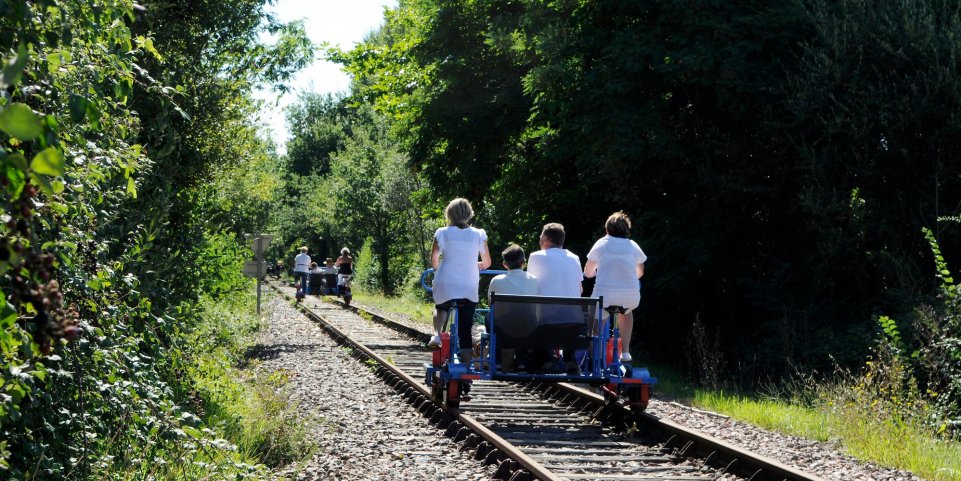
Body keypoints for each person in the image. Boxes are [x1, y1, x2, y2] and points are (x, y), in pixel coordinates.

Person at [428, 198, 492, 368]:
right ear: (469, 214)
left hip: (446, 281)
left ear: (449, 214)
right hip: (468, 285)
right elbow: (486, 263)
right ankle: (466, 368)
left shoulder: (442, 232)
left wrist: (439, 268)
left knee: (441, 306)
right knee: (465, 328)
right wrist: (474, 264)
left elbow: (434, 260)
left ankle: (436, 334)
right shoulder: (479, 234)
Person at [583, 211, 647, 362]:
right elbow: (640, 272)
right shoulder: (633, 246)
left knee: (597, 313)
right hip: (630, 297)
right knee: (627, 312)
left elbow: (588, 272)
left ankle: (595, 355)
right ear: (627, 230)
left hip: (605, 296)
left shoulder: (601, 244)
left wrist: (597, 272)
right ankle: (625, 352)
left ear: (607, 229)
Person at [526, 223, 584, 373]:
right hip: (574, 323)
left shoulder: (535, 256)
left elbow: (531, 287)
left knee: (534, 311)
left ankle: (546, 358)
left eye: (540, 238)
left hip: (546, 325)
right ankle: (569, 356)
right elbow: (580, 289)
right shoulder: (575, 258)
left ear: (545, 239)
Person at [487, 244, 538, 371]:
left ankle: (498, 358)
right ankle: (521, 359)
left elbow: (490, 305)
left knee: (490, 317)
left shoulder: (496, 280)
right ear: (523, 262)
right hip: (528, 328)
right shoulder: (534, 280)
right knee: (526, 317)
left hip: (503, 330)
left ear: (505, 264)